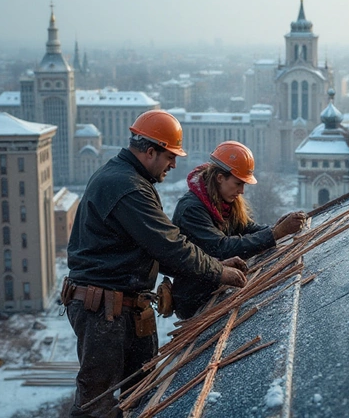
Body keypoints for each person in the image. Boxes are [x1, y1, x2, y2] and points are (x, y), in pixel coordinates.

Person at [63, 110, 248, 418]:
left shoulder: (128, 178)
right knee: (98, 407)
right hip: (104, 312)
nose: (174, 164)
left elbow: (159, 250)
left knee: (144, 396)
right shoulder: (127, 187)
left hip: (123, 309)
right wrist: (221, 272)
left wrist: (216, 264)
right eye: (170, 156)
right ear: (150, 151)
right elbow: (172, 247)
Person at [171, 140, 306, 319]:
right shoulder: (192, 210)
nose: (242, 191)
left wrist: (276, 228)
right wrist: (275, 233)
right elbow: (221, 248)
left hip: (217, 289)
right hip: (196, 300)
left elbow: (247, 228)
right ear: (220, 178)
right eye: (238, 184)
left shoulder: (224, 202)